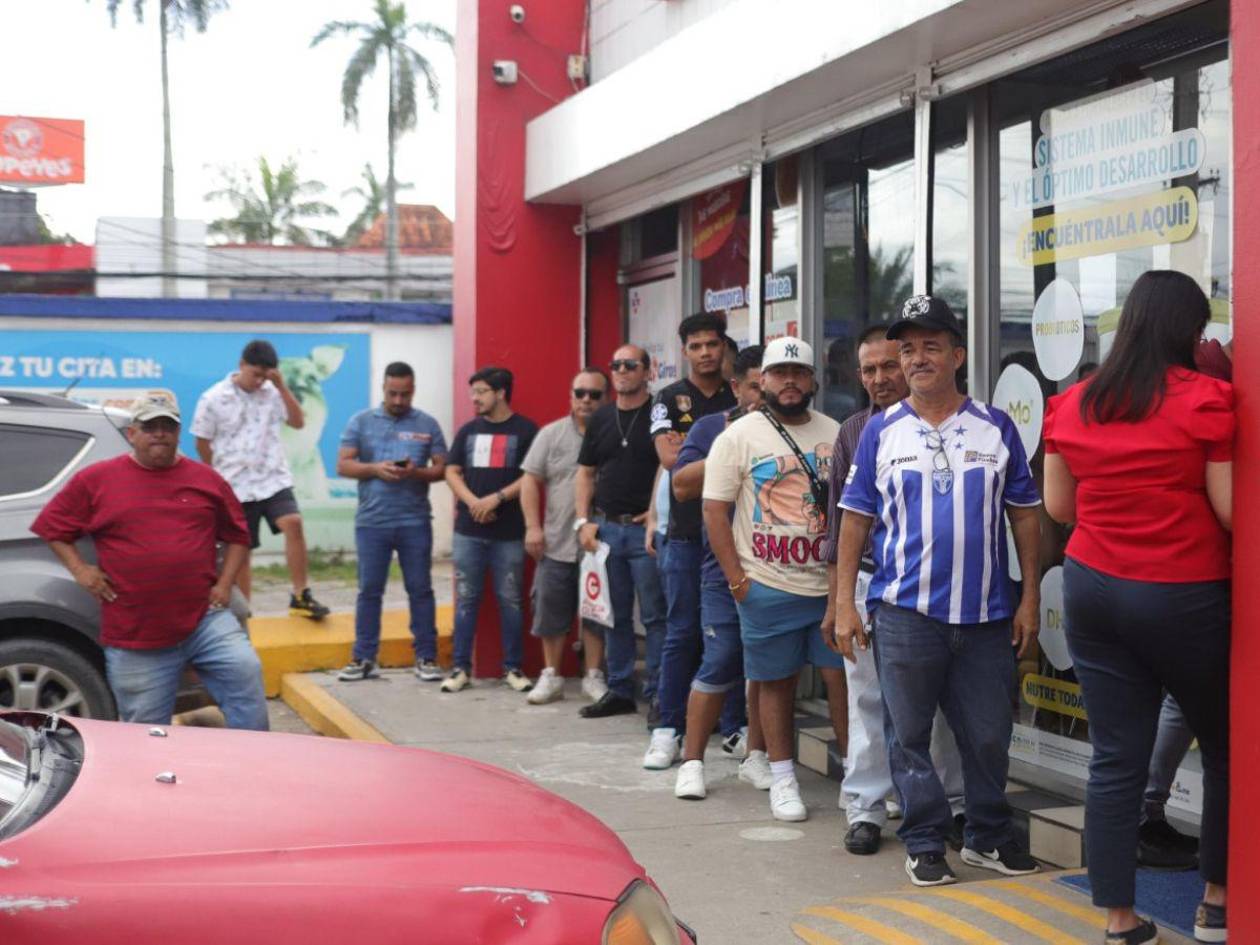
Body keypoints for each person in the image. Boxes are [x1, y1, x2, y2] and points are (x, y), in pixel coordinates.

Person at [1043, 271, 1232, 945]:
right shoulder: (1210, 399)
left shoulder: (1073, 403)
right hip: (1183, 592)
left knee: (1115, 757)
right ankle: (1216, 903)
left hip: (1093, 588)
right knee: (1226, 748)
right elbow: (1231, 508)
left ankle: (1120, 919)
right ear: (1188, 330)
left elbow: (1060, 508)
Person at [833, 295, 1041, 887]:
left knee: (988, 735)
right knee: (908, 737)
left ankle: (987, 837)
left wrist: (1028, 599)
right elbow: (854, 519)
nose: (916, 359)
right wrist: (844, 601)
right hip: (904, 614)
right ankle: (924, 842)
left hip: (984, 616)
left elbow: (1026, 515)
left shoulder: (996, 427)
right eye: (907, 349)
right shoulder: (879, 431)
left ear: (957, 354)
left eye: (929, 346)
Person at [31, 391, 268, 730]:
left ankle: (257, 765)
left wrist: (225, 584)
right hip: (136, 636)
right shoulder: (96, 480)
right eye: (149, 426)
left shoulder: (206, 479)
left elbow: (237, 535)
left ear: (177, 433)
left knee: (246, 673)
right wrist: (81, 571)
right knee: (145, 732)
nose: (159, 433)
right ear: (132, 434)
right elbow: (52, 527)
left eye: (167, 427)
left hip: (205, 621)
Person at [822, 323, 966, 857]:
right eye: (870, 369)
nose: (881, 378)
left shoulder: (953, 426)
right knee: (868, 700)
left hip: (936, 588)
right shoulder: (855, 431)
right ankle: (865, 809)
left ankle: (948, 804)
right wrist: (837, 604)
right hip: (864, 583)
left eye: (889, 365)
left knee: (942, 706)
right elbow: (838, 528)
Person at [703, 337, 844, 822]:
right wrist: (739, 581)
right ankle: (782, 776)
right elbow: (714, 512)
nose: (789, 381)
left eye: (798, 373)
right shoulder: (738, 436)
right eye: (779, 373)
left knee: (841, 682)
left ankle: (856, 780)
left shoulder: (837, 431)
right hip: (768, 584)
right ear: (761, 381)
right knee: (774, 682)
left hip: (829, 586)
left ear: (813, 381)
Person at [1136, 333, 1235, 872]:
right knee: (1190, 706)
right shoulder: (1208, 368)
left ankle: (1141, 813)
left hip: (1174, 572)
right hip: (1199, 569)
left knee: (1178, 703)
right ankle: (1145, 815)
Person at [670, 344, 772, 799]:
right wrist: (731, 449)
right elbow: (680, 485)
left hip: (780, 567)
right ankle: (692, 762)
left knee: (768, 668)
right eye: (756, 386)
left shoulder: (802, 429)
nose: (765, 395)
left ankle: (757, 756)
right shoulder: (714, 426)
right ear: (737, 387)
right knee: (720, 658)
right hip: (721, 568)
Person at [645, 314, 739, 768]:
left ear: (723, 347)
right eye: (697, 345)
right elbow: (668, 459)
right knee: (681, 632)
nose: (705, 352)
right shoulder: (668, 397)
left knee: (734, 635)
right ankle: (667, 727)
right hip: (683, 532)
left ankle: (736, 728)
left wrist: (696, 450)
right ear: (684, 351)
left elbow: (684, 457)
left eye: (712, 344)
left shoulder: (737, 393)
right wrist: (731, 452)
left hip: (736, 534)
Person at [191, 338, 330, 620]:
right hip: (235, 485)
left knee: (293, 523)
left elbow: (298, 422)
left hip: (272, 478)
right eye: (255, 374)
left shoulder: (272, 392)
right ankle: (246, 611)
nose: (258, 382)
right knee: (241, 551)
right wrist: (216, 476)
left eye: (264, 376)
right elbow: (202, 441)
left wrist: (280, 385)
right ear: (241, 365)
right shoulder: (214, 398)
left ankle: (301, 595)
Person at [334, 362, 448, 682]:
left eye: (405, 394)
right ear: (383, 389)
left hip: (415, 521)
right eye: (392, 393)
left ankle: (426, 657)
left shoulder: (427, 424)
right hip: (372, 522)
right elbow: (343, 465)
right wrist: (376, 469)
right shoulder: (361, 421)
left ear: (414, 390)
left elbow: (443, 469)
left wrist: (415, 473)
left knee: (420, 589)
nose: (398, 400)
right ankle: (364, 657)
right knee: (369, 591)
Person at [574, 344, 666, 719]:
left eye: (631, 365)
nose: (622, 371)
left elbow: (670, 465)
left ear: (648, 371)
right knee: (613, 614)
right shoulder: (601, 418)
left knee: (656, 616)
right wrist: (583, 521)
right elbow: (586, 472)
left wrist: (657, 513)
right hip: (608, 531)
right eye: (617, 365)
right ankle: (620, 688)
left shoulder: (659, 414)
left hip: (645, 531)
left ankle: (659, 691)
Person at [443, 367, 538, 693]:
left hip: (510, 532)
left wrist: (496, 499)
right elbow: (451, 471)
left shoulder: (526, 430)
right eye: (474, 392)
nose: (475, 398)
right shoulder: (468, 431)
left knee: (511, 600)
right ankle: (459, 668)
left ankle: (513, 668)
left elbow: (532, 475)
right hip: (469, 531)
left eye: (482, 391)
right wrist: (474, 503)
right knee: (466, 598)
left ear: (500, 392)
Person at [520, 367, 610, 705]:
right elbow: (530, 479)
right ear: (571, 396)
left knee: (596, 614)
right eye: (580, 393)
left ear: (607, 397)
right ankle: (551, 676)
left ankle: (593, 677)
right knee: (550, 612)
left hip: (600, 544)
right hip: (557, 541)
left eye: (594, 394)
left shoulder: (612, 433)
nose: (586, 400)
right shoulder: (551, 434)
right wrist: (533, 526)